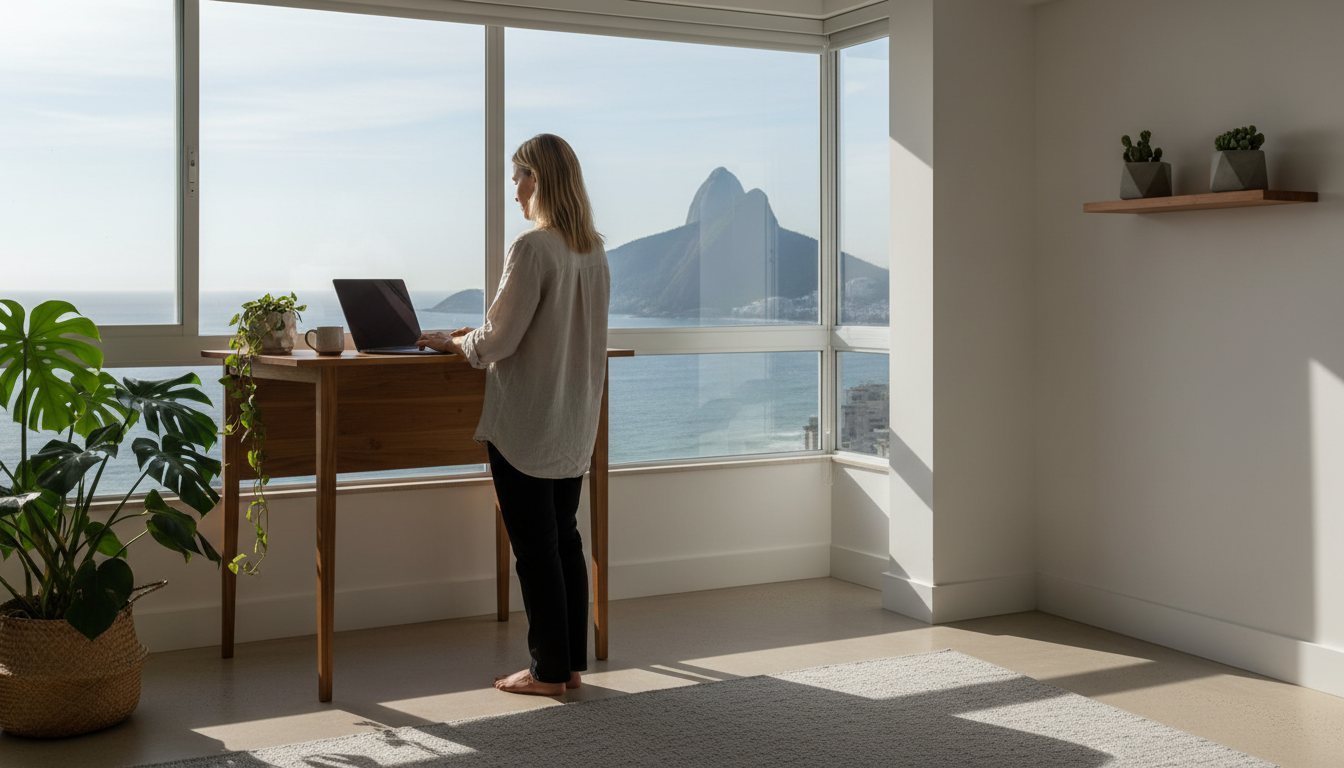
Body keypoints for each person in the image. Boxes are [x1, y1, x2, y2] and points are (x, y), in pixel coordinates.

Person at [416, 134, 609, 696]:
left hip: (528, 423)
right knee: (565, 540)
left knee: (535, 551)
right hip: (574, 421)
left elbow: (498, 340)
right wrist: (474, 336)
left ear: (541, 179)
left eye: (520, 176)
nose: (515, 191)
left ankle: (547, 673)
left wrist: (455, 343)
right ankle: (569, 664)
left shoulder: (532, 248)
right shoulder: (592, 249)